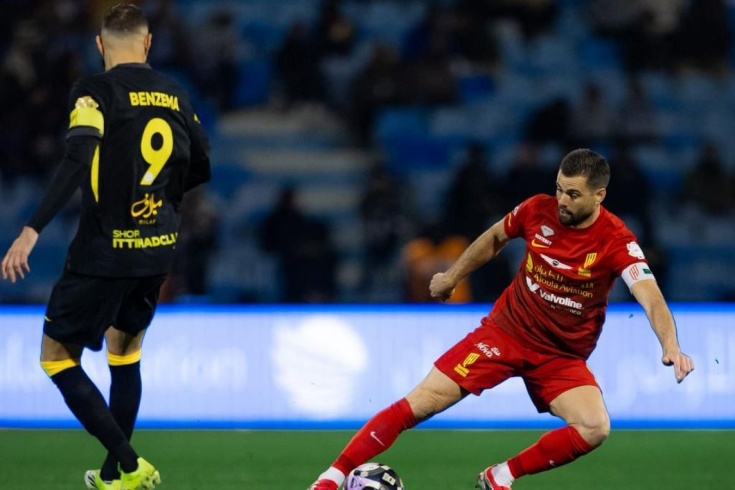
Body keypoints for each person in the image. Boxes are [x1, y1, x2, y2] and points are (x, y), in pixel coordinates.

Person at [306, 148, 694, 490]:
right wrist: (452, 277)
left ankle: (500, 476)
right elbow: (495, 237)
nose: (561, 200)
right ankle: (330, 477)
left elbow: (651, 297)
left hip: (560, 357)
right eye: (559, 188)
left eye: (573, 194)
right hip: (505, 333)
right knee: (422, 401)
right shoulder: (537, 209)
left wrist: (671, 345)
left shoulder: (616, 240)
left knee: (595, 427)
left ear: (599, 195)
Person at [1, 4, 210, 490]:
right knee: (125, 350)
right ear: (148, 42)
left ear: (99, 45)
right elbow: (201, 162)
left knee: (56, 356)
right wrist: (160, 204)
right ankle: (115, 476)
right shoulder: (175, 93)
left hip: (103, 250)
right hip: (157, 247)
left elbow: (78, 158)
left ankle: (131, 465)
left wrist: (32, 228)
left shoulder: (93, 92)